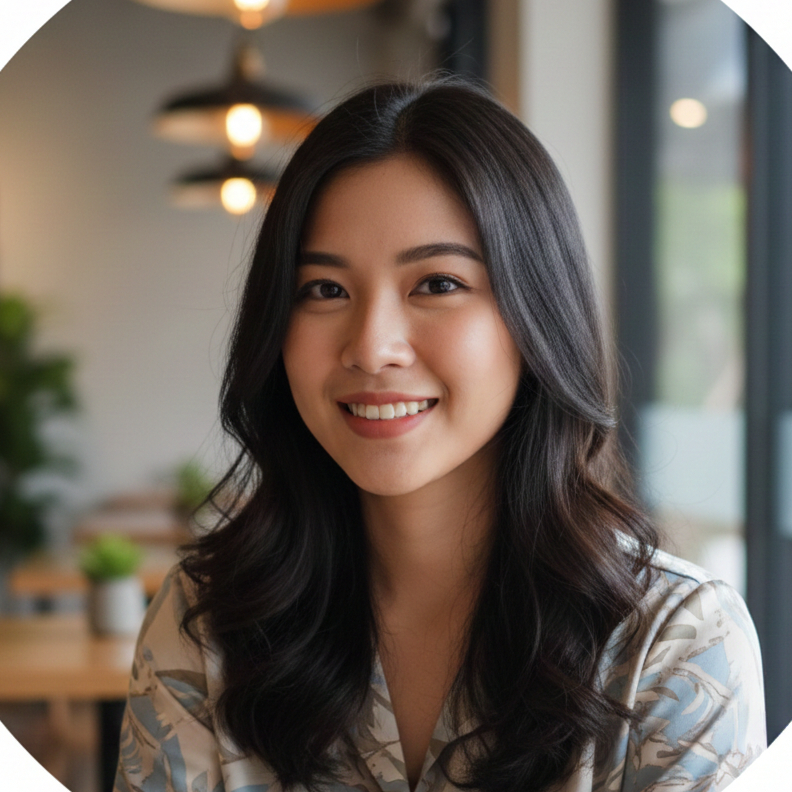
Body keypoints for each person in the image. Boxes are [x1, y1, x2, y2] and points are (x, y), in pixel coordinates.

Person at [113, 78, 766, 792]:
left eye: (437, 283)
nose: (372, 347)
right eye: (325, 290)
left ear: (534, 313)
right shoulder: (206, 624)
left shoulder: (674, 643)